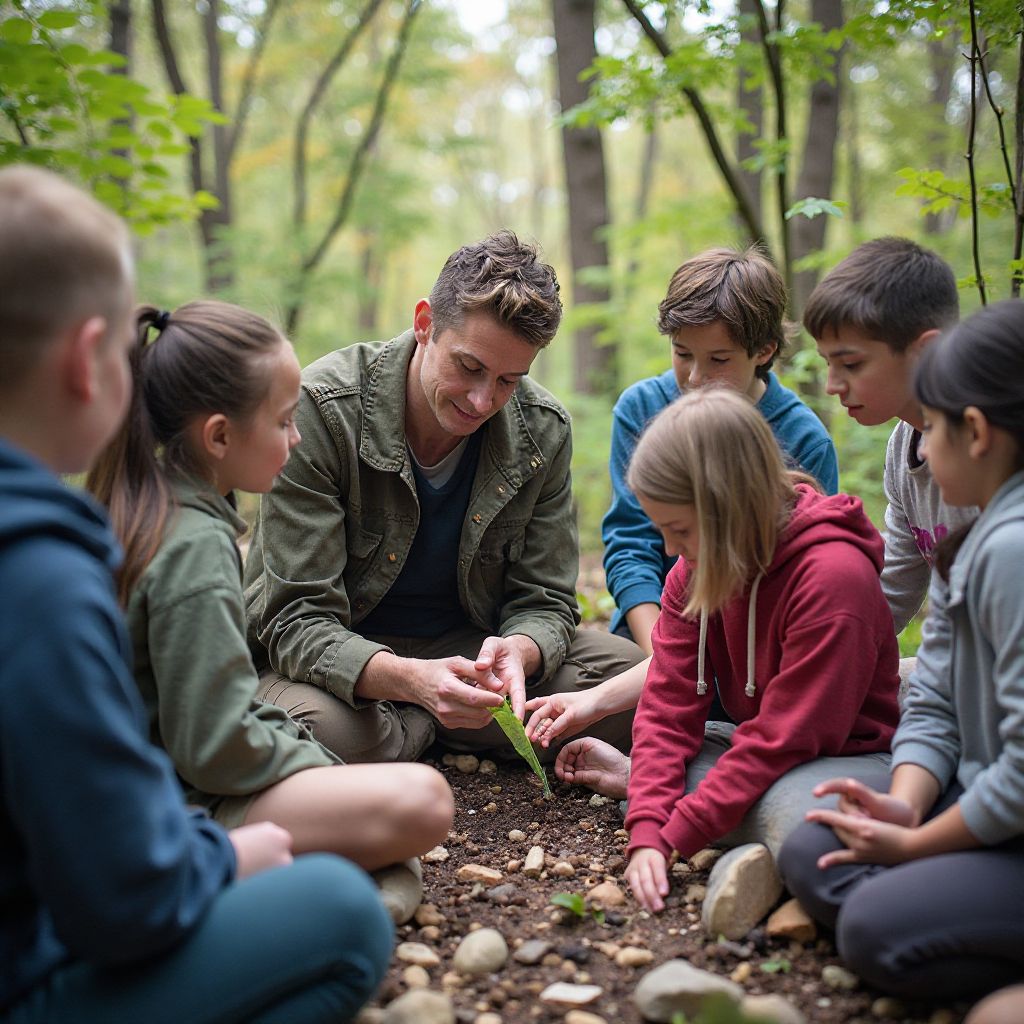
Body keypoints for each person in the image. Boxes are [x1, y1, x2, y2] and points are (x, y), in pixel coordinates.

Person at [0, 164, 391, 1024]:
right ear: (85, 361)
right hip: (36, 969)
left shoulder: (82, 530)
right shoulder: (41, 577)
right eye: (123, 352)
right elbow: (123, 895)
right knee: (347, 912)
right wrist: (223, 861)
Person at [243, 230, 644, 764]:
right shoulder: (322, 411)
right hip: (341, 664)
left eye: (508, 381)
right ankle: (430, 723)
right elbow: (296, 619)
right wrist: (410, 681)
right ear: (425, 323)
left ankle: (415, 728)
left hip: (466, 654)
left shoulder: (542, 430)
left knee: (630, 681)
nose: (482, 400)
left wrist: (519, 652)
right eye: (469, 367)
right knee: (317, 729)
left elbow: (545, 599)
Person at [86, 300, 454, 872]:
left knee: (382, 829)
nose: (298, 438)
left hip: (148, 780)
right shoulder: (195, 548)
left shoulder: (145, 507)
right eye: (283, 422)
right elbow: (211, 747)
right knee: (423, 802)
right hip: (170, 802)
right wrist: (318, 767)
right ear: (219, 437)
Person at [532, 388, 898, 911]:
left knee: (796, 819)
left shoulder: (832, 578)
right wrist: (648, 830)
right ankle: (704, 809)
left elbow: (783, 740)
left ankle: (696, 807)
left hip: (849, 758)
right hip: (757, 743)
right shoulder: (697, 567)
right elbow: (667, 707)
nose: (670, 550)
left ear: (728, 507)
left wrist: (676, 831)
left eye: (679, 529)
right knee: (680, 762)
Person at [778, 301, 1024, 1001]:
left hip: (1010, 811)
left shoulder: (1012, 551)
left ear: (976, 432)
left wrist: (916, 848)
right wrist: (907, 805)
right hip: (982, 799)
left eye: (931, 430)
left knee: (872, 930)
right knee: (813, 851)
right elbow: (936, 696)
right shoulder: (966, 539)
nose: (919, 450)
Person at [602, 246, 839, 654]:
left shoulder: (803, 439)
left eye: (719, 359)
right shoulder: (641, 408)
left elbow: (808, 575)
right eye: (682, 354)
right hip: (649, 634)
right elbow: (631, 544)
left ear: (764, 350)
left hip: (751, 646)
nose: (695, 377)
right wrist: (661, 655)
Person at [804, 236, 975, 634]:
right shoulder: (902, 446)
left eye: (850, 364)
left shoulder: (991, 451)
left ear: (925, 351)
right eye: (828, 363)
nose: (831, 385)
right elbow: (894, 589)